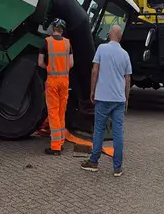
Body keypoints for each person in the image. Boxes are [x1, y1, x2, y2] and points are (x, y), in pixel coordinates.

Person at [81, 24, 131, 177]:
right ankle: (117, 168)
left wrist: (92, 90)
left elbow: (95, 70)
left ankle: (94, 162)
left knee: (99, 130)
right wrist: (126, 98)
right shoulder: (125, 54)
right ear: (120, 37)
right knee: (118, 133)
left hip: (103, 97)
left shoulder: (101, 49)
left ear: (109, 35)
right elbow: (127, 78)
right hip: (118, 99)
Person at [38, 18, 74, 155]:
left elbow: (40, 62)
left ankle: (55, 147)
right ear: (63, 30)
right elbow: (71, 64)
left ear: (53, 28)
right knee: (61, 112)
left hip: (52, 81)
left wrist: (49, 68)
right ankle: (60, 141)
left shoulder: (47, 42)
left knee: (53, 112)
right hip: (64, 81)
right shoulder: (67, 43)